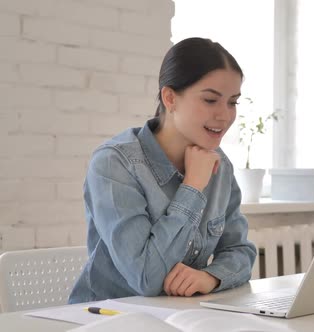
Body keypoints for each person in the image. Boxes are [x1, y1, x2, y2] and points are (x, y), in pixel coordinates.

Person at [68, 37, 257, 303]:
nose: (225, 116)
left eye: (232, 102)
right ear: (170, 98)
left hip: (180, 317)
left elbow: (240, 250)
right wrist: (192, 187)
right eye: (210, 100)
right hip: (106, 319)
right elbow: (146, 278)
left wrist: (211, 277)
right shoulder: (114, 164)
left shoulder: (220, 165)